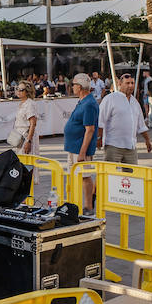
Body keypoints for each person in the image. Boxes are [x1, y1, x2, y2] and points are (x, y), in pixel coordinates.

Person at [62, 73, 99, 213]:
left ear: (81, 86)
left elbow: (89, 130)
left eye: (74, 85)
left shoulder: (89, 103)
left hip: (79, 148)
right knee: (76, 176)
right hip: (74, 146)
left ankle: (88, 206)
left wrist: (82, 152)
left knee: (85, 177)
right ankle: (75, 203)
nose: (72, 87)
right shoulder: (83, 101)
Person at [97, 72, 152, 164]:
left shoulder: (135, 102)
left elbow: (141, 125)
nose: (130, 86)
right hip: (113, 145)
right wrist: (99, 138)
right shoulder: (110, 99)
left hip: (131, 147)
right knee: (110, 175)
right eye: (127, 83)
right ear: (119, 84)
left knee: (131, 176)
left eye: (132, 83)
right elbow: (100, 121)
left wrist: (147, 140)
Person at [10, 81, 40, 155]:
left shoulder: (30, 104)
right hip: (19, 137)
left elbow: (33, 124)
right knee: (20, 162)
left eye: (21, 90)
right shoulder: (22, 103)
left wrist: (28, 141)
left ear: (27, 92)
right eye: (17, 89)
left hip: (26, 137)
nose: (18, 91)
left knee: (27, 163)